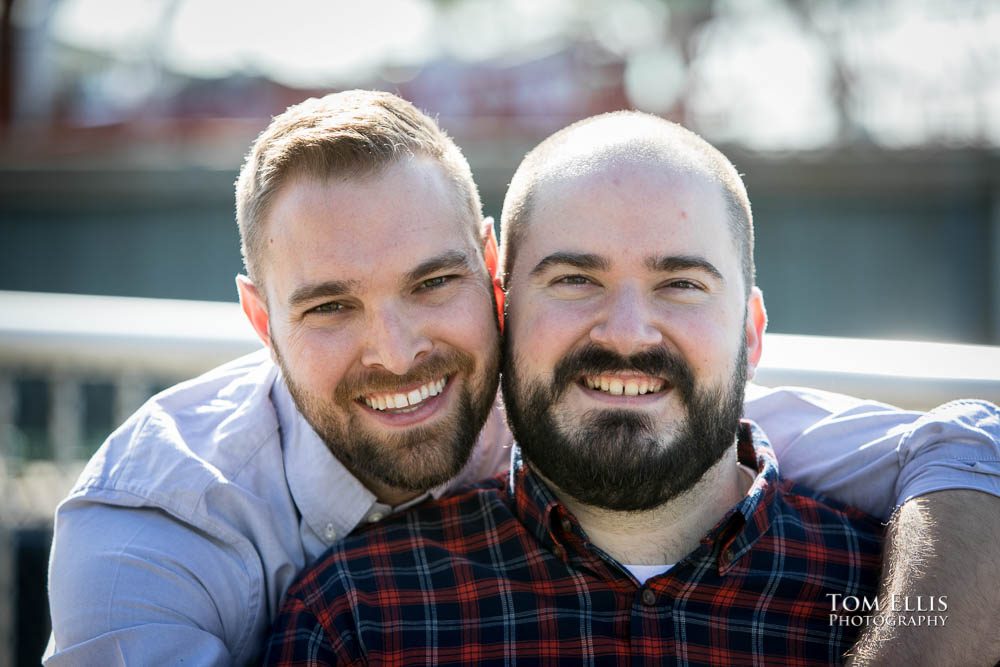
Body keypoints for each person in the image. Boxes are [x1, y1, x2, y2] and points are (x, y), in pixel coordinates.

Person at [46, 92, 1000, 666]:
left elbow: (952, 442)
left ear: (490, 276)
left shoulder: (865, 574)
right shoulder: (163, 534)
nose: (396, 351)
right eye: (331, 305)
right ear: (260, 320)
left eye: (434, 282)